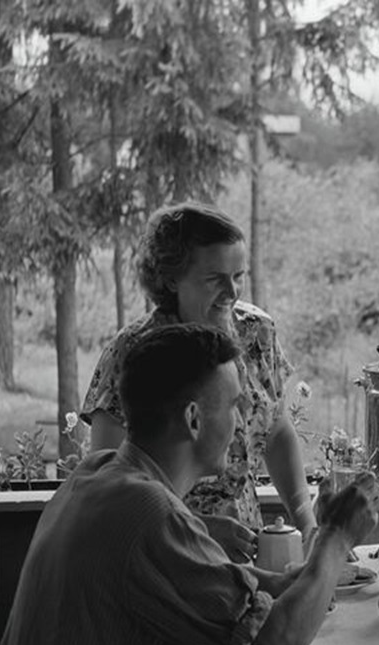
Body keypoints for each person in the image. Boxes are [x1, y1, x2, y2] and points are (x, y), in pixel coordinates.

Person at [0, 324, 379, 645]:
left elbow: (225, 582)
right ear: (193, 420)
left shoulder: (101, 473)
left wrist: (308, 567)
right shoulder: (147, 513)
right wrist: (336, 537)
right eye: (234, 405)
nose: (241, 421)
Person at [81, 201, 313, 563]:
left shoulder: (257, 333)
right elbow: (108, 488)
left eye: (238, 275)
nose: (232, 291)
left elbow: (277, 430)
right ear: (171, 278)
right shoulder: (133, 352)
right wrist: (199, 528)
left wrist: (306, 520)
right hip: (163, 550)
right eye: (214, 278)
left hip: (247, 545)